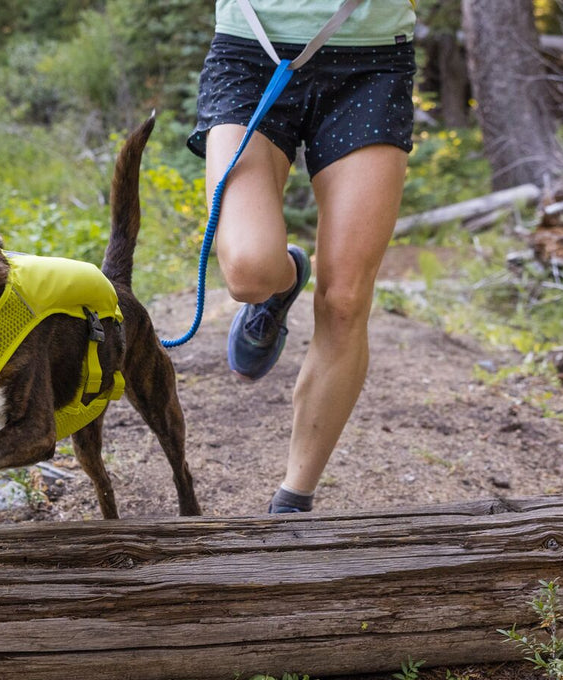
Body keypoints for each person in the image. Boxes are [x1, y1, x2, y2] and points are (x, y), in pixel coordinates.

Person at [187, 0, 417, 513]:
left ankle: (294, 499)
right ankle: (283, 282)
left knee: (345, 299)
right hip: (250, 48)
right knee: (247, 270)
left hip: (373, 59)